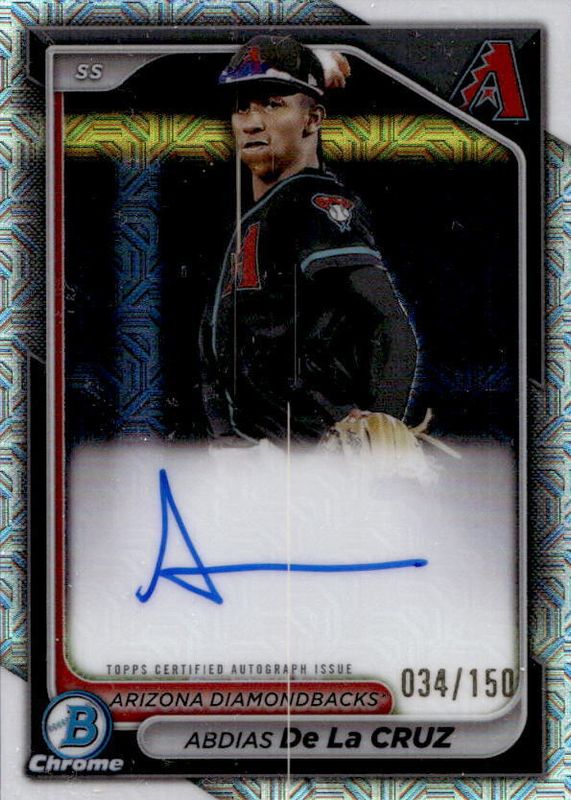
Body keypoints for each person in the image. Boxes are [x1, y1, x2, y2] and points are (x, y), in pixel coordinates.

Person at [202, 35, 417, 443]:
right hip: (258, 452)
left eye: (272, 104)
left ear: (313, 119)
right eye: (242, 106)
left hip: (307, 455)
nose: (251, 122)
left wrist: (380, 426)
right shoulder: (262, 214)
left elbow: (389, 325)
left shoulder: (314, 203)